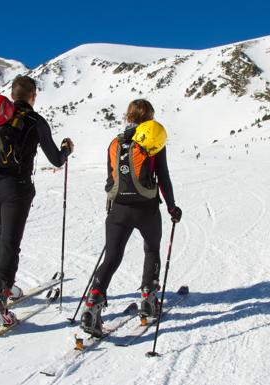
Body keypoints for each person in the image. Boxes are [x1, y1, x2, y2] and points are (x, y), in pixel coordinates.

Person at [0, 75, 74, 328]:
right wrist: (67, 149)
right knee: (11, 241)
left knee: (4, 234)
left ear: (12, 95)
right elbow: (56, 159)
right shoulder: (34, 120)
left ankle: (7, 286)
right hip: (17, 188)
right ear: (33, 95)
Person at [80, 99, 181, 337]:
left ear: (128, 117)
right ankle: (148, 299)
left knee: (112, 257)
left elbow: (110, 180)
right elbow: (163, 177)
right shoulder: (153, 143)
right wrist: (172, 207)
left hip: (119, 210)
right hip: (146, 209)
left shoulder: (115, 143)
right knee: (151, 250)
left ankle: (93, 304)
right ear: (150, 118)